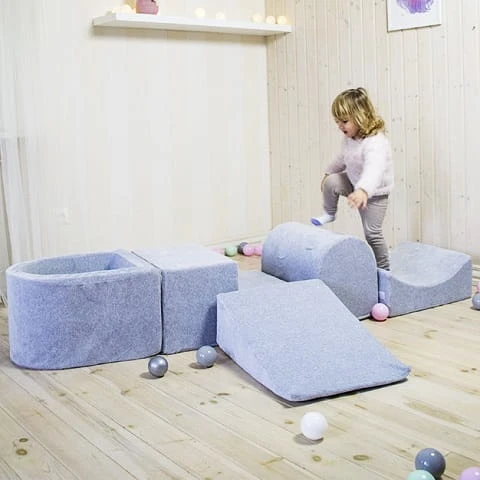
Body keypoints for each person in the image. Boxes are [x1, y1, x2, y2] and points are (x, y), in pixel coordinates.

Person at [311, 87, 394, 270]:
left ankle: (384, 269)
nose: (340, 126)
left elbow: (374, 169)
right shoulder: (350, 140)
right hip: (354, 183)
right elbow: (342, 158)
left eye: (344, 121)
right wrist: (328, 173)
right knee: (332, 181)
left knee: (372, 233)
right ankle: (329, 213)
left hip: (375, 193)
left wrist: (363, 190)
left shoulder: (376, 143)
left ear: (360, 117)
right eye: (337, 121)